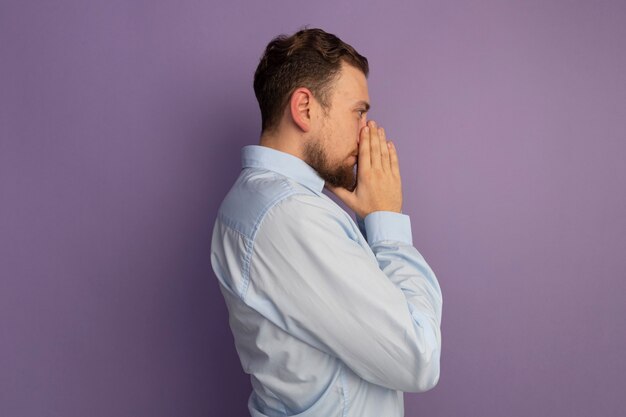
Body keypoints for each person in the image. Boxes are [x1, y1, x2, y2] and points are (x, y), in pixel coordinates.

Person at [210, 27, 443, 417]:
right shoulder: (289, 216)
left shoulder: (258, 201)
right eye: (359, 111)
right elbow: (419, 357)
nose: (366, 131)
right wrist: (388, 224)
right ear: (304, 108)